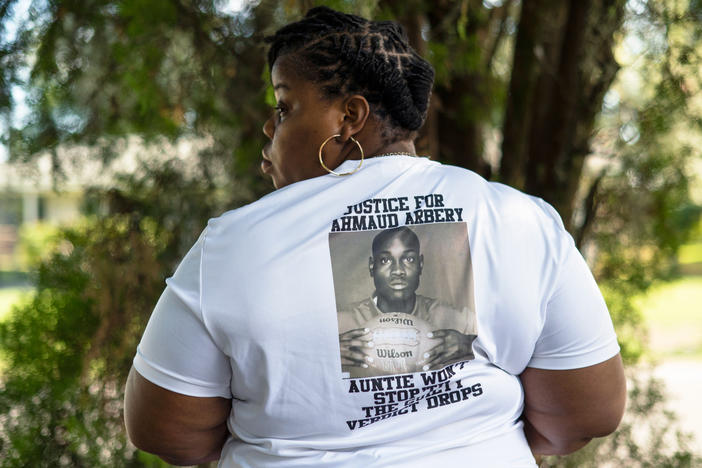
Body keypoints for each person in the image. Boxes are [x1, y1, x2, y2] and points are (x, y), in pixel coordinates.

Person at [124, 6, 626, 468]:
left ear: (349, 118)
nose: (269, 128)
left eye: (284, 107)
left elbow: (167, 431)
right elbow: (586, 415)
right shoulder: (519, 218)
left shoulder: (230, 246)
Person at [337, 226, 476, 375]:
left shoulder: (452, 317)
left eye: (409, 259)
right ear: (372, 266)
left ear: (420, 264)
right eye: (385, 260)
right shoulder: (342, 323)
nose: (398, 271)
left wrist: (468, 344)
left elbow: (497, 343)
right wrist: (328, 351)